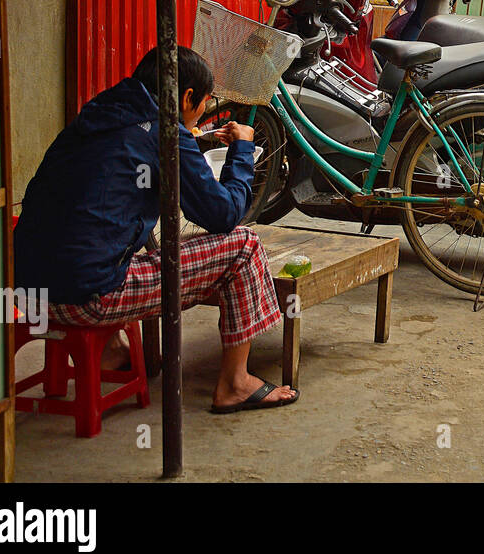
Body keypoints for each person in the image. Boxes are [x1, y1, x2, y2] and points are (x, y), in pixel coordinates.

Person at [15, 46, 298, 414]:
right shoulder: (165, 129)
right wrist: (242, 150)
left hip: (25, 289)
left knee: (100, 237)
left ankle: (113, 352)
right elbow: (222, 213)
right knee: (243, 246)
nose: (198, 115)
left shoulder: (103, 109)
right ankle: (235, 383)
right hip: (86, 299)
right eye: (202, 104)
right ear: (187, 97)